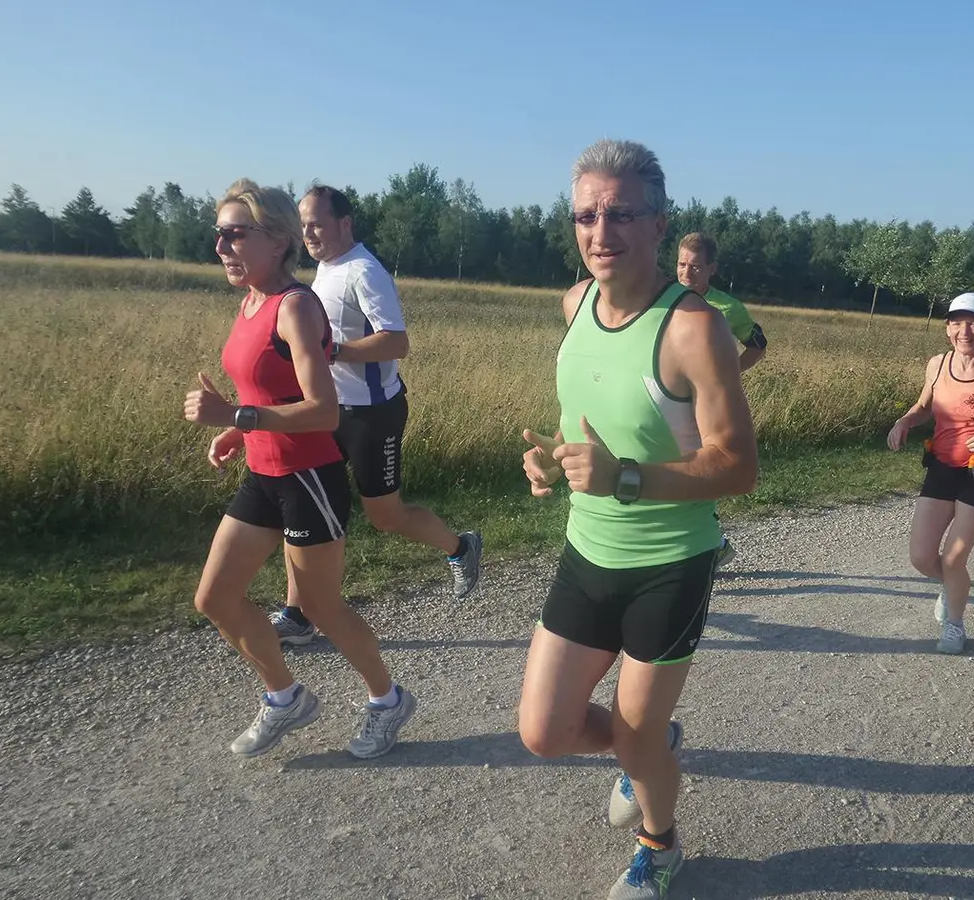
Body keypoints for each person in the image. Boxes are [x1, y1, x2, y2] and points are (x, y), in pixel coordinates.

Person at [517, 140, 757, 900]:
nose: (600, 231)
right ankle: (648, 747)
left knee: (634, 735)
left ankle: (661, 841)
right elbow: (587, 421)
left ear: (659, 224)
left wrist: (625, 477)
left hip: (671, 562)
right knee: (544, 733)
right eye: (586, 214)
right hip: (587, 552)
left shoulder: (693, 328)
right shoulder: (575, 303)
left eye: (621, 213)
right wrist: (553, 460)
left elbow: (738, 466)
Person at [182, 178, 417, 760]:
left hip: (310, 476)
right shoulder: (250, 303)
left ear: (278, 239)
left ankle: (388, 702)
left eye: (235, 235)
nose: (222, 247)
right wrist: (239, 431)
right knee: (214, 597)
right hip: (264, 472)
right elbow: (274, 390)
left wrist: (234, 413)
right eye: (219, 235)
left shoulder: (295, 307)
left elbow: (322, 410)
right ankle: (285, 698)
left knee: (320, 608)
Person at [265, 184, 485, 647]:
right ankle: (297, 614)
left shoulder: (365, 271)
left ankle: (461, 548)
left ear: (345, 224)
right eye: (303, 226)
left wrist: (332, 350)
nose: (309, 234)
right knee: (302, 503)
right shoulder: (323, 270)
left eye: (317, 224)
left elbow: (396, 341)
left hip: (372, 414)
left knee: (385, 515)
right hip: (326, 411)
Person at [887, 291, 974, 654]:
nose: (964, 330)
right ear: (948, 328)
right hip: (941, 467)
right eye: (957, 322)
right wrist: (905, 421)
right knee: (921, 558)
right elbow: (922, 406)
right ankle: (953, 586)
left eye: (973, 322)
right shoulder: (937, 364)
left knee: (953, 558)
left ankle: (954, 624)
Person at [674, 231, 768, 569]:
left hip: (706, 404)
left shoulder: (728, 307)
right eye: (681, 265)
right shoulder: (660, 296)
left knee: (701, 468)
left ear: (712, 269)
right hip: (666, 399)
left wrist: (730, 375)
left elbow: (758, 344)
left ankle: (712, 543)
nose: (686, 274)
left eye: (696, 268)